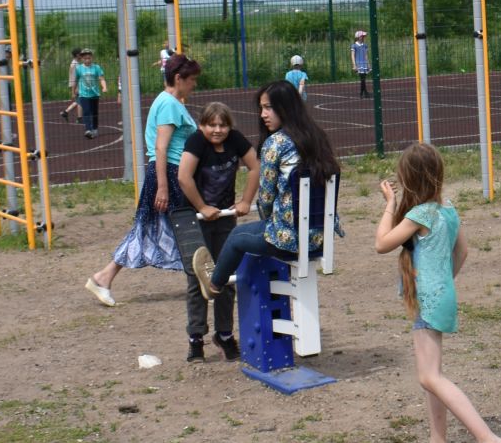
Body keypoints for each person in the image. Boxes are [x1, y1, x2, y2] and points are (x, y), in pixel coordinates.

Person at [373, 142, 501, 443]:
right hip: (441, 294)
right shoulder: (447, 209)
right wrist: (444, 282)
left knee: (429, 376)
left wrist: (390, 205)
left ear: (409, 178)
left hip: (430, 298)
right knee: (430, 376)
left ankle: (488, 440)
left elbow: (382, 243)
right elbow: (462, 252)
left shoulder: (420, 214)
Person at [202, 81, 341, 298]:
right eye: (261, 108)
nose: (263, 114)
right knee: (247, 231)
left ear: (285, 107)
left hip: (289, 240)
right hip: (320, 235)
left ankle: (214, 285)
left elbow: (266, 197)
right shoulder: (316, 137)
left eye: (268, 107)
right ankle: (216, 281)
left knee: (236, 237)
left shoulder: (275, 143)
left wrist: (268, 221)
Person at [84, 53, 202, 306]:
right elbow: (161, 147)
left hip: (168, 173)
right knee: (183, 226)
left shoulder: (167, 101)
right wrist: (162, 186)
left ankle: (104, 277)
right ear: (179, 78)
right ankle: (207, 281)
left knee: (158, 227)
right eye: (192, 79)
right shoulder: (170, 104)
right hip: (169, 174)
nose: (195, 84)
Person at [178, 101, 257, 362]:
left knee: (226, 275)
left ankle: (224, 334)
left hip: (224, 217)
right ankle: (196, 337)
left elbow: (255, 166)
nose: (218, 130)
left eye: (223, 125)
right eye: (212, 124)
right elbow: (184, 177)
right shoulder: (196, 142)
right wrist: (202, 205)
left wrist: (245, 201)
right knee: (197, 277)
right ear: (202, 125)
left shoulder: (235, 139)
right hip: (197, 218)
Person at [69, 47, 107, 139]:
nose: (87, 60)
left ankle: (95, 128)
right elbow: (75, 81)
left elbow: (101, 78)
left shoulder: (96, 67)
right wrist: (73, 91)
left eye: (89, 58)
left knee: (94, 113)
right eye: (85, 58)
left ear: (92, 58)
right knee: (86, 111)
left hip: (94, 94)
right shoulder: (79, 69)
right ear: (82, 59)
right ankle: (88, 130)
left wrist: (104, 87)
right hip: (83, 94)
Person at [352, 29, 372, 95]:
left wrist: (368, 64)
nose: (363, 37)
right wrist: (354, 65)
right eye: (362, 36)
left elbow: (366, 55)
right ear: (358, 37)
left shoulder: (365, 45)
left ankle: (364, 92)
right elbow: (352, 56)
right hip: (358, 63)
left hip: (364, 63)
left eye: (363, 36)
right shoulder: (354, 45)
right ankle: (363, 92)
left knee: (363, 79)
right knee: (362, 78)